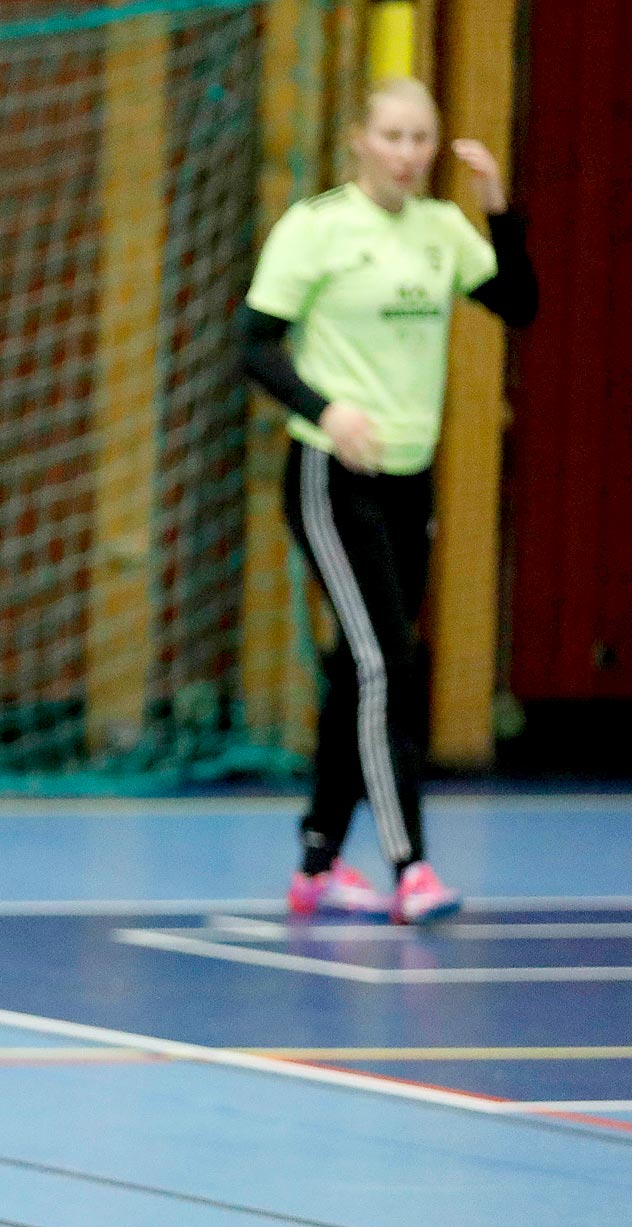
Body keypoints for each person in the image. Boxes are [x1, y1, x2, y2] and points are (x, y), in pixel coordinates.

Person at [240, 77, 537, 925]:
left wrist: (496, 209)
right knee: (385, 665)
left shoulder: (444, 233)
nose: (408, 154)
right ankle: (410, 866)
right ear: (358, 141)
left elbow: (519, 303)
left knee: (355, 665)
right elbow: (254, 346)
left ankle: (317, 862)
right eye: (393, 137)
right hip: (331, 478)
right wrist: (327, 410)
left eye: (421, 139)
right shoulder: (318, 227)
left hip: (413, 479)